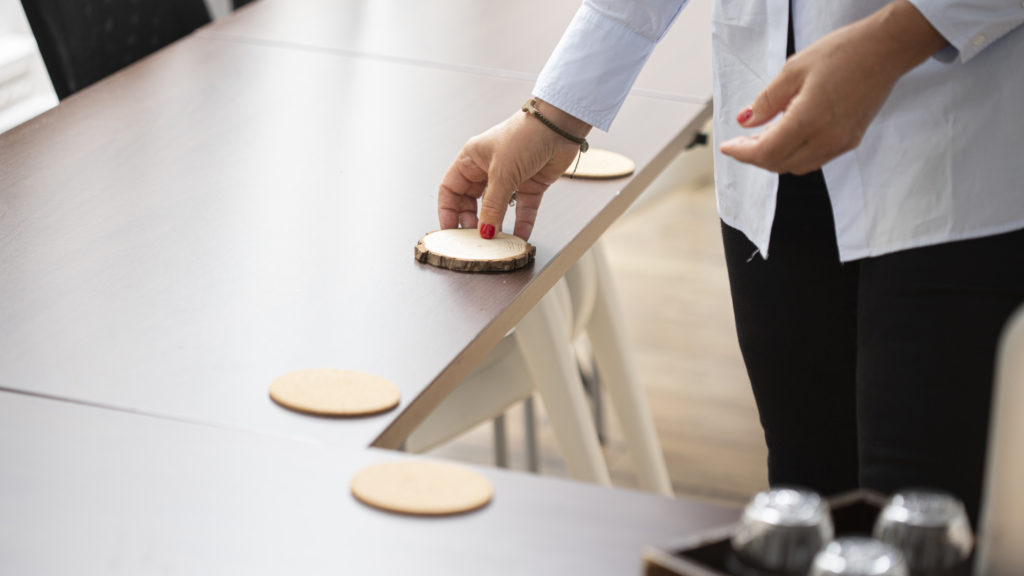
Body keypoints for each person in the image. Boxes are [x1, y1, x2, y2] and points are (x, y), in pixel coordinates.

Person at [437, 0, 1024, 525]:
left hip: (957, 147)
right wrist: (553, 116)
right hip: (772, 151)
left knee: (921, 520)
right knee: (805, 502)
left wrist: (892, 39)